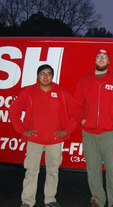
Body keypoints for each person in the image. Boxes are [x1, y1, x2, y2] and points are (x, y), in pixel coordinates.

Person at [9, 64, 77, 207]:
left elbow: (75, 113)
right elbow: (13, 112)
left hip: (54, 140)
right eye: (42, 73)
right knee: (31, 171)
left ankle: (50, 199)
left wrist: (67, 130)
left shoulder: (62, 93)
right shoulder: (27, 92)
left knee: (53, 171)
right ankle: (27, 202)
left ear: (53, 76)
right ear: (37, 75)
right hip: (34, 140)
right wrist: (22, 130)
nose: (45, 76)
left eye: (48, 74)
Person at [72, 48, 113, 207]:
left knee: (112, 168)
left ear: (109, 61)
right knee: (92, 168)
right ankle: (97, 199)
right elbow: (76, 105)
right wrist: (83, 121)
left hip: (110, 133)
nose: (101, 59)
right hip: (89, 133)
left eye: (105, 57)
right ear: (95, 59)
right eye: (99, 57)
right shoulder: (85, 80)